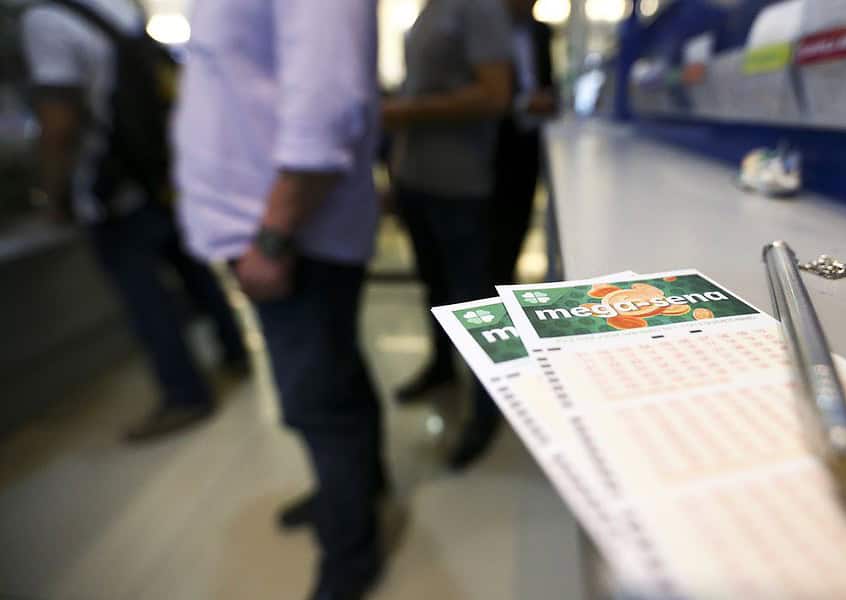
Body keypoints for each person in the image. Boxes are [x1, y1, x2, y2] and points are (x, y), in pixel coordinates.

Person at [172, 1, 386, 598]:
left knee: (317, 400)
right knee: (335, 372)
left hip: (292, 235)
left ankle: (350, 552)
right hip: (284, 229)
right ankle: (357, 493)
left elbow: (326, 102)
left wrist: (272, 238)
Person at [21, 0, 248, 443]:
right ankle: (236, 353)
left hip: (111, 189)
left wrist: (55, 194)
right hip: (158, 171)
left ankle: (185, 395)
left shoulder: (45, 21)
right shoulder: (115, 8)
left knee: (147, 301)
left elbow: (59, 122)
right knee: (195, 270)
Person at [383, 0, 514, 470]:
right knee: (435, 288)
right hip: (419, 179)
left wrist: (408, 112)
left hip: (460, 183)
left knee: (473, 303)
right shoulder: (428, 10)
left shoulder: (478, 8)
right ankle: (442, 368)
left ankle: (487, 406)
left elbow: (496, 94)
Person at [490, 0, 558, 286]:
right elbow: (492, 94)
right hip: (497, 142)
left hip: (531, 141)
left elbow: (547, 79)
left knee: (520, 219)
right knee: (495, 231)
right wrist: (523, 104)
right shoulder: (491, 31)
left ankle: (506, 279)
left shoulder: (541, 32)